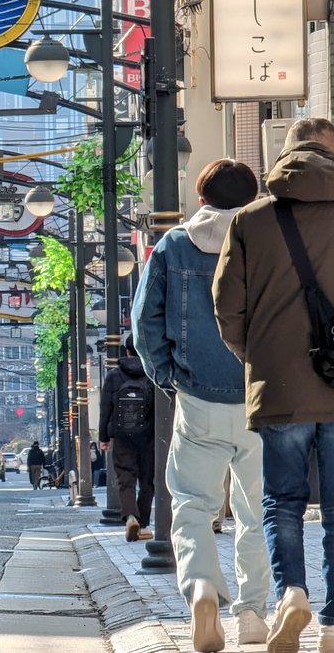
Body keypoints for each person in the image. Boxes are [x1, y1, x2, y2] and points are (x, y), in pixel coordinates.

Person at [133, 158, 268, 652]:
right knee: (258, 510)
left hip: (198, 398)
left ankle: (203, 588)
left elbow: (144, 323)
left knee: (191, 503)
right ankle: (253, 614)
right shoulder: (268, 240)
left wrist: (169, 377)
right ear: (253, 195)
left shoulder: (172, 245)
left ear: (202, 197)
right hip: (262, 396)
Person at [214, 118, 334, 653]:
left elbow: (227, 308)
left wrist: (256, 356)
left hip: (278, 383)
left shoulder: (251, 220)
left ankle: (293, 595)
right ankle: (332, 625)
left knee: (282, 501)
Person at [98, 335, 154, 543]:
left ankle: (131, 517)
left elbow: (105, 408)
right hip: (148, 436)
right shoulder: (152, 372)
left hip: (122, 435)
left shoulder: (114, 375)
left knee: (126, 479)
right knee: (148, 481)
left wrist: (104, 437)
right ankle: (144, 524)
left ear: (127, 351)